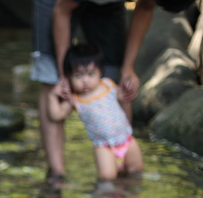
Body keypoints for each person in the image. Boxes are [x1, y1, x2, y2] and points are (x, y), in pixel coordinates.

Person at [31, 0, 193, 179]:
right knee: (52, 78)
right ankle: (56, 176)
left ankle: (122, 165)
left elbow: (145, 8)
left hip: (107, 5)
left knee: (116, 73)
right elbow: (61, 11)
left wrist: (128, 67)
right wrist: (65, 74)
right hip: (58, 4)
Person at [47, 43, 143, 179]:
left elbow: (123, 99)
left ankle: (125, 195)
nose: (85, 81)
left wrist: (127, 89)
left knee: (136, 171)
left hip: (126, 139)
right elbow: (56, 115)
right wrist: (52, 96)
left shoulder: (108, 85)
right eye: (78, 76)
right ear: (69, 77)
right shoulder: (75, 99)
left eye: (91, 74)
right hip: (103, 147)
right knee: (107, 178)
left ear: (100, 72)